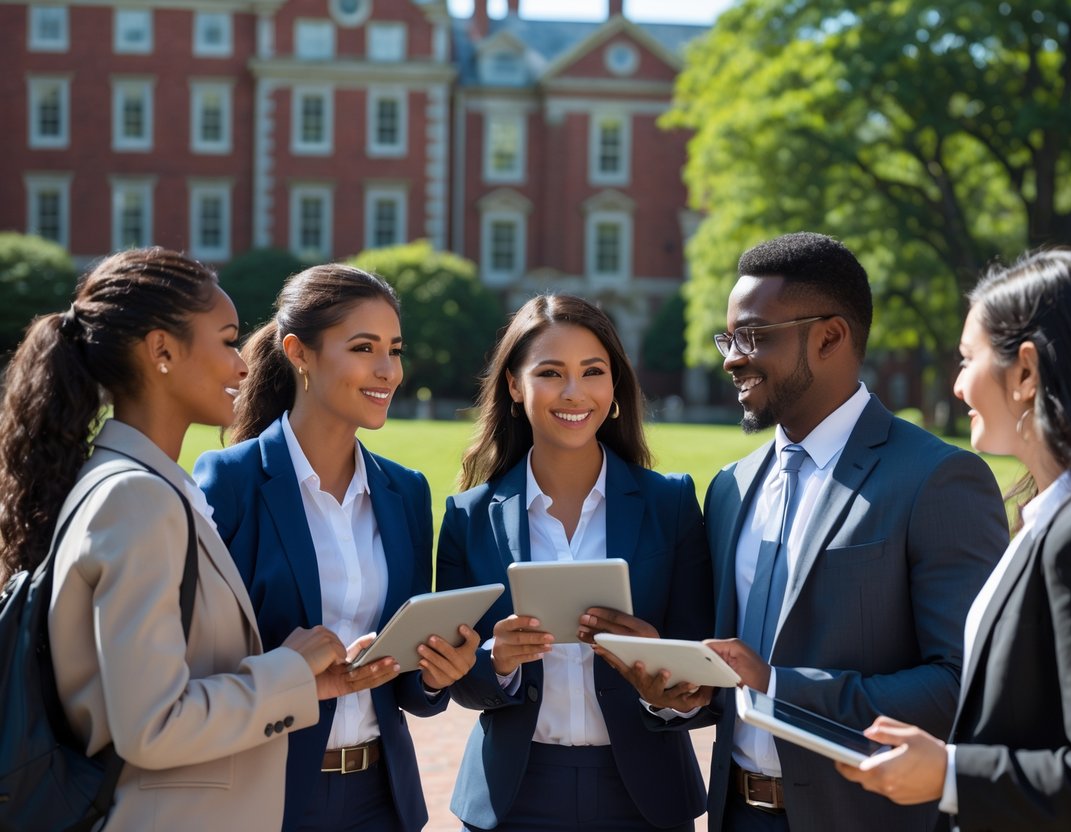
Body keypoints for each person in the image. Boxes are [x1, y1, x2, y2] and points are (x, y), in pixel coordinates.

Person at [835, 248, 1071, 830]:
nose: (958, 386)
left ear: (1027, 372)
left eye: (967, 360)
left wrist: (949, 773)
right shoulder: (1057, 519)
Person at [0, 247, 359, 831]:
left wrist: (303, 686)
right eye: (225, 340)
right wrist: (287, 671)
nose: (243, 366)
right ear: (162, 351)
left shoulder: (139, 485)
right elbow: (152, 725)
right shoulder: (135, 499)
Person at [675, 232, 1008, 832]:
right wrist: (677, 683)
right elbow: (729, 673)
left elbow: (966, 684)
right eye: (729, 338)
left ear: (829, 337)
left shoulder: (938, 480)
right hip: (734, 816)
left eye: (753, 336)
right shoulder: (728, 487)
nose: (731, 357)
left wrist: (780, 687)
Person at [194, 264, 479, 832]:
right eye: (364, 348)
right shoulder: (230, 482)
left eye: (394, 350)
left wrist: (434, 674)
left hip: (382, 799)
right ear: (299, 352)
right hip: (264, 797)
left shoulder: (404, 492)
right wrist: (290, 671)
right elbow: (196, 666)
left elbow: (407, 691)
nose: (388, 371)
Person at [434, 294, 714, 832]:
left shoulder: (671, 504)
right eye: (550, 372)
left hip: (646, 796)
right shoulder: (468, 518)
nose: (574, 392)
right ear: (515, 386)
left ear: (614, 389)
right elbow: (457, 679)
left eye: (593, 372)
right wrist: (498, 661)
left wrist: (663, 680)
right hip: (513, 797)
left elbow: (700, 664)